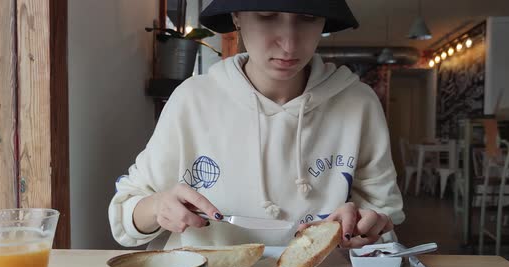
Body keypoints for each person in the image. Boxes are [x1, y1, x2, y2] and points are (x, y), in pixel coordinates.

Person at [108, 0, 405, 250]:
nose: (289, 44)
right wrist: (158, 207)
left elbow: (384, 217)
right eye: (267, 15)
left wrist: (368, 226)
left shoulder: (358, 103)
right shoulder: (192, 100)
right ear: (237, 16)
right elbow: (124, 214)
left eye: (308, 18)